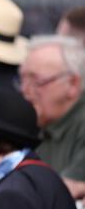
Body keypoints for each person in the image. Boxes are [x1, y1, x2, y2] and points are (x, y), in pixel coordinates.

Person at [19, 35, 85, 199]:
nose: (24, 90)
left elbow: (63, 192)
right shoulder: (43, 122)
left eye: (36, 80)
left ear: (73, 84)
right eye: (22, 79)